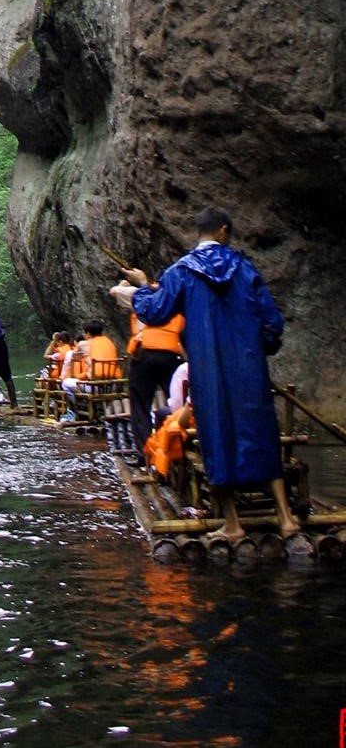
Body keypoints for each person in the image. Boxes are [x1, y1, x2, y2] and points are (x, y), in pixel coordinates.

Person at [110, 207, 302, 546]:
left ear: (199, 234)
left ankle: (232, 523)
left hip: (209, 368)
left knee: (215, 434)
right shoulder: (244, 268)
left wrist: (134, 294)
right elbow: (271, 322)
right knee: (261, 430)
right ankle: (286, 518)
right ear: (225, 232)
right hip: (247, 365)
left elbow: (156, 310)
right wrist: (261, 349)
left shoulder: (182, 271)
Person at [124, 303, 185, 462]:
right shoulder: (179, 297)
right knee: (178, 401)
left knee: (140, 405)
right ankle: (178, 449)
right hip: (172, 352)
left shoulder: (144, 298)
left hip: (144, 351)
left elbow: (118, 292)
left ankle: (144, 453)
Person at [60, 320, 119, 421]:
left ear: (88, 333)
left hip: (95, 387)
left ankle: (82, 407)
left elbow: (74, 357)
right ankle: (100, 410)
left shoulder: (84, 344)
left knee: (65, 383)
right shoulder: (110, 343)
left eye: (84, 332)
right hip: (113, 385)